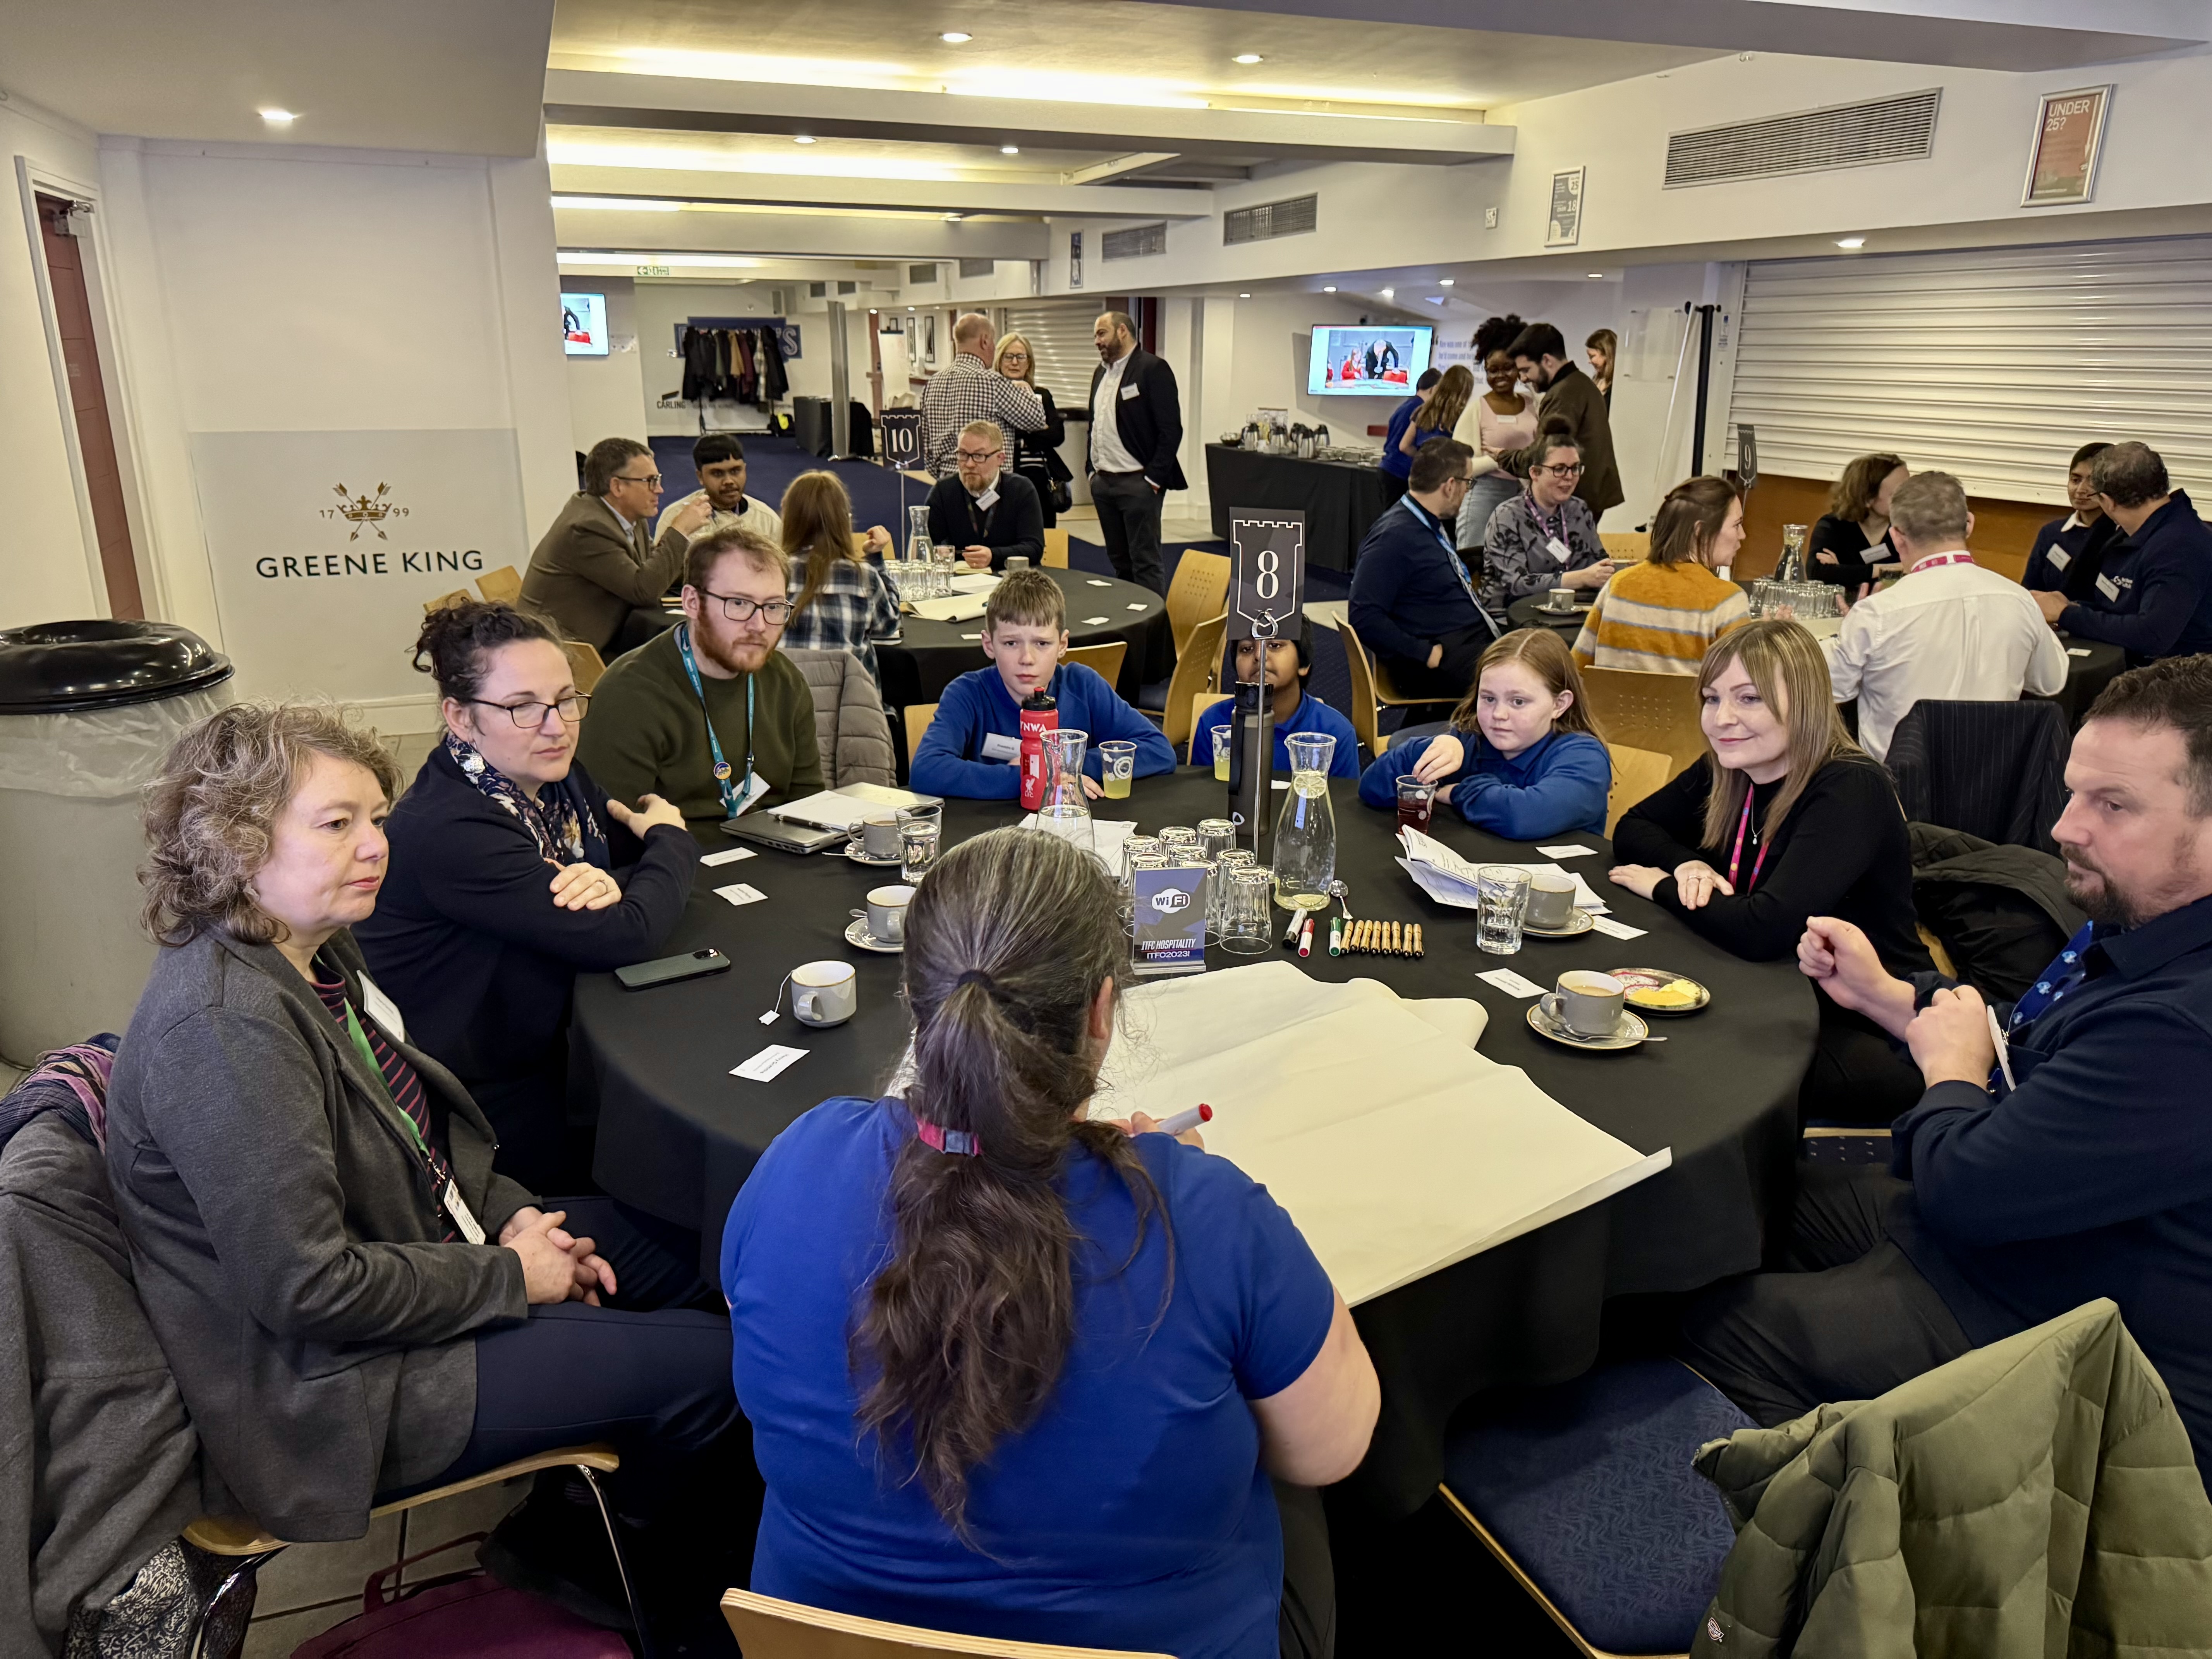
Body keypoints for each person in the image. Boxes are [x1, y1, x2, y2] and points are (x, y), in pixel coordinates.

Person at [106, 701, 741, 1594]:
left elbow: (418, 1135)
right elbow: (309, 1289)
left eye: (375, 818)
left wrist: (514, 1213)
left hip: (425, 1251)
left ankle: (594, 1498)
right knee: (714, 1373)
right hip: (335, 1389)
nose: (377, 845)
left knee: (714, 1259)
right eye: (338, 824)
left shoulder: (314, 952)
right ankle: (625, 1579)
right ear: (234, 846)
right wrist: (516, 1276)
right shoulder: (224, 1027)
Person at [721, 828, 1379, 1656]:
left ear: (917, 1002)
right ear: (1102, 1012)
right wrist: (1200, 1206)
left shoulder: (798, 1162)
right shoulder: (1203, 1217)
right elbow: (1332, 1449)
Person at [1679, 656, 2212, 1483]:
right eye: (2074, 791)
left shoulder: (2185, 1025)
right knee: (1738, 1200)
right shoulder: (2153, 922)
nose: (2065, 827)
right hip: (2041, 1235)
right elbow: (2044, 1057)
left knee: (1715, 1318)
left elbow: (1966, 1189)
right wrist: (1895, 1000)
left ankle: (1848, 1552)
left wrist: (1952, 1079)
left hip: (2089, 1346)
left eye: (2113, 805)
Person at [357, 602, 695, 1193]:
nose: (556, 725)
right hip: (472, 1105)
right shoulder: (451, 829)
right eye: (521, 707)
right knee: (663, 1180)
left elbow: (616, 863)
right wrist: (673, 838)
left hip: (543, 1039)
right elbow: (626, 933)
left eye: (566, 699)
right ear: (460, 718)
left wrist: (613, 882)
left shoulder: (552, 777)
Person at [1609, 620, 1932, 1121]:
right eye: (1712, 699)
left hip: (1864, 1022)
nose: (1722, 719)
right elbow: (1634, 827)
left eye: (1749, 699)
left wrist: (1664, 886)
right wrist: (1688, 862)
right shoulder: (1731, 767)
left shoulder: (1848, 787)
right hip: (1767, 988)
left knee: (1672, 1071)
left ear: (1802, 701)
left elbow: (1766, 929)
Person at [575, 526, 824, 824]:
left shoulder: (786, 682)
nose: (759, 625)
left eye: (772, 607)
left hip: (778, 861)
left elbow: (808, 806)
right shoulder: (629, 695)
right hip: (675, 864)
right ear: (692, 602)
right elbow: (614, 831)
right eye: (739, 604)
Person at [1820, 471, 2068, 763]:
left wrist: (1843, 634)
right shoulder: (2020, 600)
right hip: (1992, 786)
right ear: (1970, 525)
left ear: (1896, 536)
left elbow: (1834, 690)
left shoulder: (1877, 613)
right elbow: (2051, 682)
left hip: (1897, 791)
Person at [911, 570, 1174, 800]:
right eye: (1011, 643)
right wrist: (1031, 778)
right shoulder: (967, 693)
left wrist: (1065, 768)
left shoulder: (1083, 685)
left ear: (1062, 645)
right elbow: (927, 770)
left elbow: (1159, 751)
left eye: (1042, 644)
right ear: (989, 645)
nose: (1027, 659)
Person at [1358, 628, 1611, 841]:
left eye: (1518, 702)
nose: (1499, 714)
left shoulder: (1584, 757)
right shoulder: (1473, 741)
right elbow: (1373, 788)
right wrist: (1435, 747)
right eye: (1489, 698)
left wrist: (1458, 792)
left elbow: (1524, 816)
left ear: (1559, 704)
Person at [520, 437, 704, 658]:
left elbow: (653, 569)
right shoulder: (587, 528)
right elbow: (644, 590)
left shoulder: (629, 518)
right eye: (650, 481)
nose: (660, 490)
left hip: (601, 635)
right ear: (617, 486)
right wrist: (681, 530)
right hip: (561, 651)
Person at [2033, 440, 2212, 665]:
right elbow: (2123, 608)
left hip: (2181, 683)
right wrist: (2074, 609)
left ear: (2107, 502)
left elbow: (2153, 635)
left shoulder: (2180, 546)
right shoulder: (2146, 532)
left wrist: (2066, 615)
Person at [1347, 438, 1493, 706]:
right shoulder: (1395, 537)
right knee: (1536, 681)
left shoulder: (1423, 523)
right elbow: (1363, 614)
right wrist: (1423, 653)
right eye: (1468, 484)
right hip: (1441, 661)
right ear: (1451, 486)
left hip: (1464, 644)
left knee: (1538, 656)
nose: (1467, 492)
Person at [1573, 476, 1752, 674]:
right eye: (1737, 525)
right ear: (1701, 531)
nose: (1742, 535)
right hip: (1688, 707)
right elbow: (1742, 686)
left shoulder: (1618, 585)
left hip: (1605, 706)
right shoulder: (1727, 602)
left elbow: (1577, 668)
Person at [1087, 309, 1187, 594]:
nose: (1097, 341)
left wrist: (1153, 480)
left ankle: (1152, 629)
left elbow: (1171, 430)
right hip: (1104, 482)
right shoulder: (1100, 374)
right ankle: (1128, 617)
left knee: (1145, 561)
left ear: (1122, 331)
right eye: (1096, 335)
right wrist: (1090, 471)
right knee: (1119, 561)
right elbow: (1095, 425)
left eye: (1102, 333)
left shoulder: (1153, 369)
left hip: (1139, 483)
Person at [775, 471, 902, 685]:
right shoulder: (864, 577)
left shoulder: (772, 573)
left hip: (785, 709)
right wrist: (876, 561)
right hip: (850, 708)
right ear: (843, 521)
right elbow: (888, 626)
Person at [1477, 422, 1614, 615]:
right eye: (1559, 469)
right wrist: (1580, 578)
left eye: (1575, 468)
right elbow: (1517, 585)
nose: (1569, 477)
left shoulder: (1579, 510)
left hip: (1572, 612)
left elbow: (1599, 561)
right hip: (1514, 617)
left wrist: (1619, 572)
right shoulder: (1507, 516)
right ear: (1535, 473)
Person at [1201, 620, 1361, 780]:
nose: (1259, 655)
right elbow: (1200, 796)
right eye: (1247, 649)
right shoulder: (1215, 725)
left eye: (1275, 645)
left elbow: (1343, 802)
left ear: (1303, 664)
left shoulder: (1336, 734)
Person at [1494, 323, 1623, 519]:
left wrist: (1504, 457)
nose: (1524, 378)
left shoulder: (1564, 394)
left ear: (1547, 360)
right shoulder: (1581, 384)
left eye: (1527, 370)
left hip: (1572, 503)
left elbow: (1545, 456)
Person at [919, 312, 1047, 481]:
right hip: (988, 485)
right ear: (985, 341)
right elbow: (1037, 419)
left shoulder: (932, 384)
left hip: (946, 483)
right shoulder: (993, 382)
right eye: (993, 341)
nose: (994, 348)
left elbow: (926, 447)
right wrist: (1025, 389)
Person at [925, 419, 1045, 572]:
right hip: (959, 583)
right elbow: (927, 545)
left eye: (979, 456)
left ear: (1000, 459)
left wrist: (993, 556)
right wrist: (940, 552)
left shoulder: (1021, 489)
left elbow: (1033, 548)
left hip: (1009, 584)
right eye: (963, 454)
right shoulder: (944, 491)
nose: (969, 464)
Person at [1451, 345, 1539, 550]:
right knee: (1474, 558)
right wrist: (1501, 459)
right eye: (1493, 370)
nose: (1501, 375)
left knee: (1515, 559)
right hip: (1485, 493)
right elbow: (1459, 465)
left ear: (1518, 369)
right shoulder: (1477, 408)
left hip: (1525, 494)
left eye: (1508, 368)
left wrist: (1510, 457)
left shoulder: (1531, 403)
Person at [654, 433, 784, 553]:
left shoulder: (768, 520)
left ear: (745, 470)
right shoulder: (675, 518)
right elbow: (663, 573)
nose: (729, 481)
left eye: (735, 471)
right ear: (700, 477)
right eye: (717, 474)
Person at [2022, 441, 2119, 599]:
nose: (2081, 490)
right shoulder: (2051, 533)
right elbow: (2029, 592)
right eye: (2075, 480)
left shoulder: (2121, 537)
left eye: (2093, 481)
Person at [994, 333, 1070, 531]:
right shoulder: (992, 395)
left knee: (1045, 533)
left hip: (1042, 479)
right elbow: (998, 437)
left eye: (1021, 357)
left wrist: (1022, 435)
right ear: (999, 360)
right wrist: (1037, 427)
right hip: (1008, 476)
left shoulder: (1042, 395)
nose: (1015, 362)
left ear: (1029, 363)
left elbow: (1057, 435)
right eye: (1008, 356)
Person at [1805, 453, 1908, 591]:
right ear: (1867, 498)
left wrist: (1844, 571)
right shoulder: (1834, 526)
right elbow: (1819, 574)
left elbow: (1922, 571)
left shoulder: (1908, 528)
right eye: (1897, 494)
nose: (1907, 499)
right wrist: (1897, 568)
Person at [1378, 366, 1441, 508]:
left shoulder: (1406, 405)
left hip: (1389, 469)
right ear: (1434, 389)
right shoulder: (1420, 410)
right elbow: (1405, 446)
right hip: (1400, 472)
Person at [1396, 364, 1474, 472]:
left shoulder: (1423, 411)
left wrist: (1423, 458)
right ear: (1466, 391)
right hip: (1444, 473)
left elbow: (1404, 446)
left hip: (1420, 471)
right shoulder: (1461, 415)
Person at [1586, 328, 1617, 406]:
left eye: (1592, 356)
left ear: (1606, 354)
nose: (1589, 362)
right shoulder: (1596, 381)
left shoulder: (1617, 385)